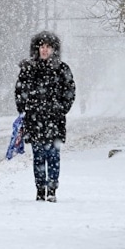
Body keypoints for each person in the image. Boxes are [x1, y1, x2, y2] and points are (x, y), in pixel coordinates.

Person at [15, 31, 76, 203]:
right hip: (34, 121)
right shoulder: (28, 69)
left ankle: (52, 189)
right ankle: (40, 188)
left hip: (54, 121)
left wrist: (61, 108)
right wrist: (25, 109)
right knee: (38, 156)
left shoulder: (62, 69)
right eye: (42, 46)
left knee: (53, 156)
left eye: (48, 47)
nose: (44, 50)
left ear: (53, 49)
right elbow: (20, 91)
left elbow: (70, 91)